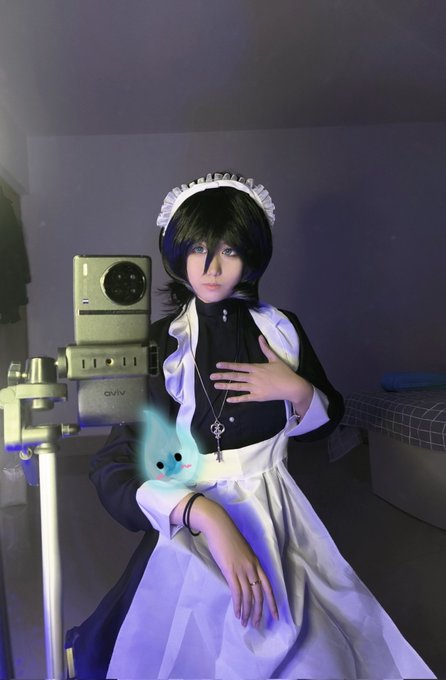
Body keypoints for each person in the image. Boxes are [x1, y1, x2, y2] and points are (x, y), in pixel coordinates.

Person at [66, 172, 435, 679]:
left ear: (252, 256)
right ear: (177, 251)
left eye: (230, 250)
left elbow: (328, 424)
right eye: (198, 248)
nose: (212, 268)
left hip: (278, 513)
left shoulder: (281, 330)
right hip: (190, 512)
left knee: (317, 655)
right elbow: (114, 464)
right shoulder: (158, 341)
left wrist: (297, 390)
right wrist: (207, 517)